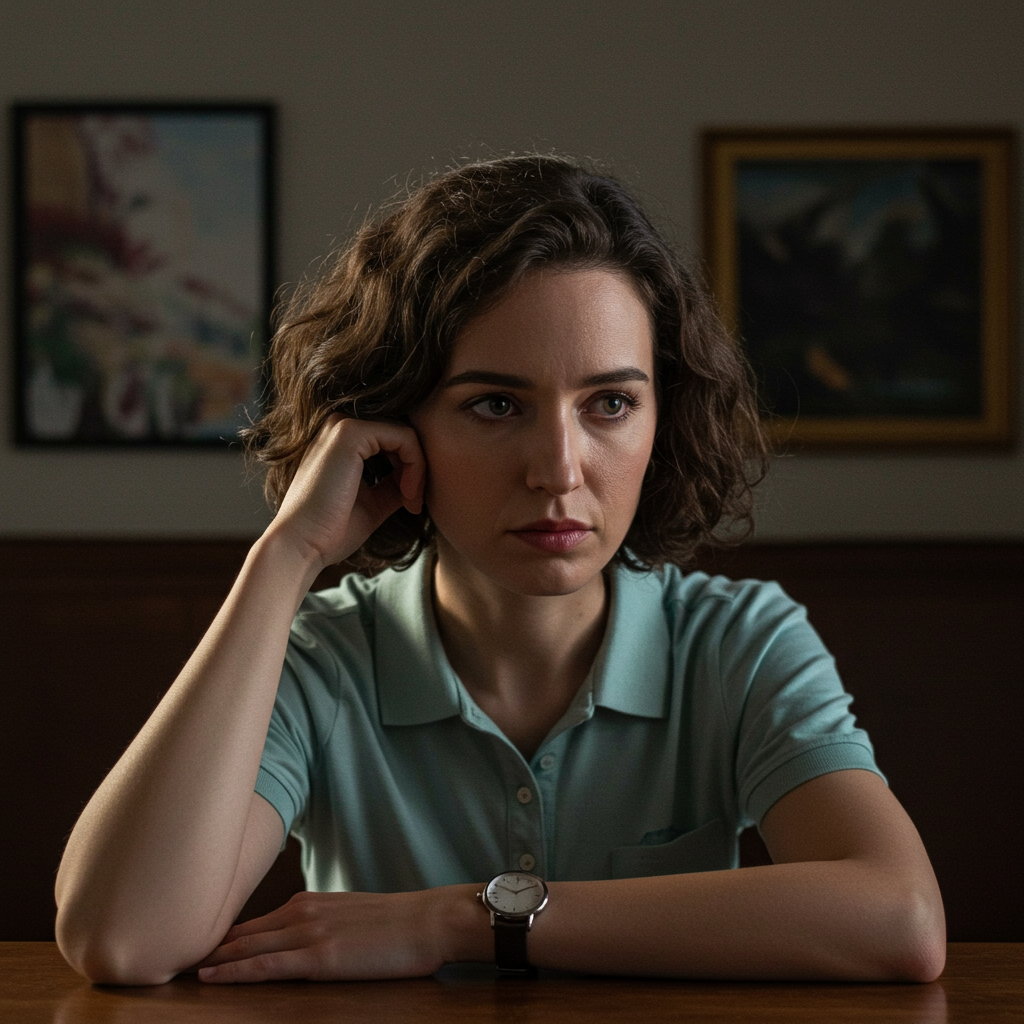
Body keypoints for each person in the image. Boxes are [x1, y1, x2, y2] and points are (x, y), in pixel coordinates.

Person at [54, 155, 945, 986]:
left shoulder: (740, 641)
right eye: (494, 403)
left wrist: (460, 921)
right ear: (392, 425)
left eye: (609, 403)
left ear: (660, 422)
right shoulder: (320, 660)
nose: (558, 468)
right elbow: (124, 938)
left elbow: (899, 919)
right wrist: (287, 553)